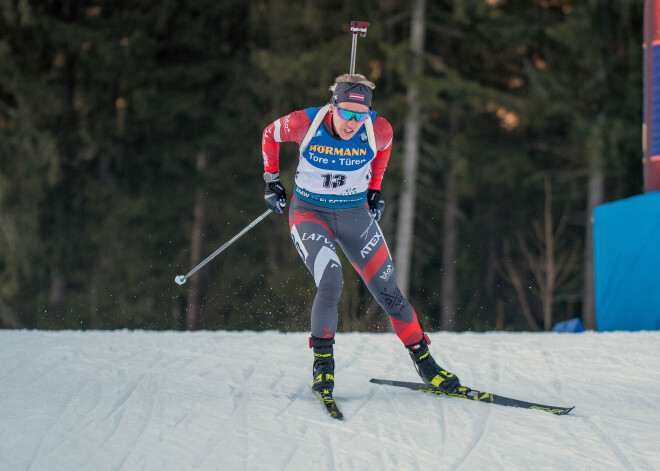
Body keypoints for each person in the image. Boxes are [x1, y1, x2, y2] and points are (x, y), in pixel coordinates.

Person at [261, 74, 460, 399]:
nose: (353, 123)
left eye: (360, 115)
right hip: (310, 213)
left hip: (355, 215)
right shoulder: (306, 123)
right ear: (333, 107)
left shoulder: (378, 129)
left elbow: (384, 150)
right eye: (346, 114)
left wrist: (374, 189)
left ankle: (427, 366)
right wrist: (271, 180)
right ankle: (323, 366)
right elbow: (269, 134)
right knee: (332, 279)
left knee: (389, 293)